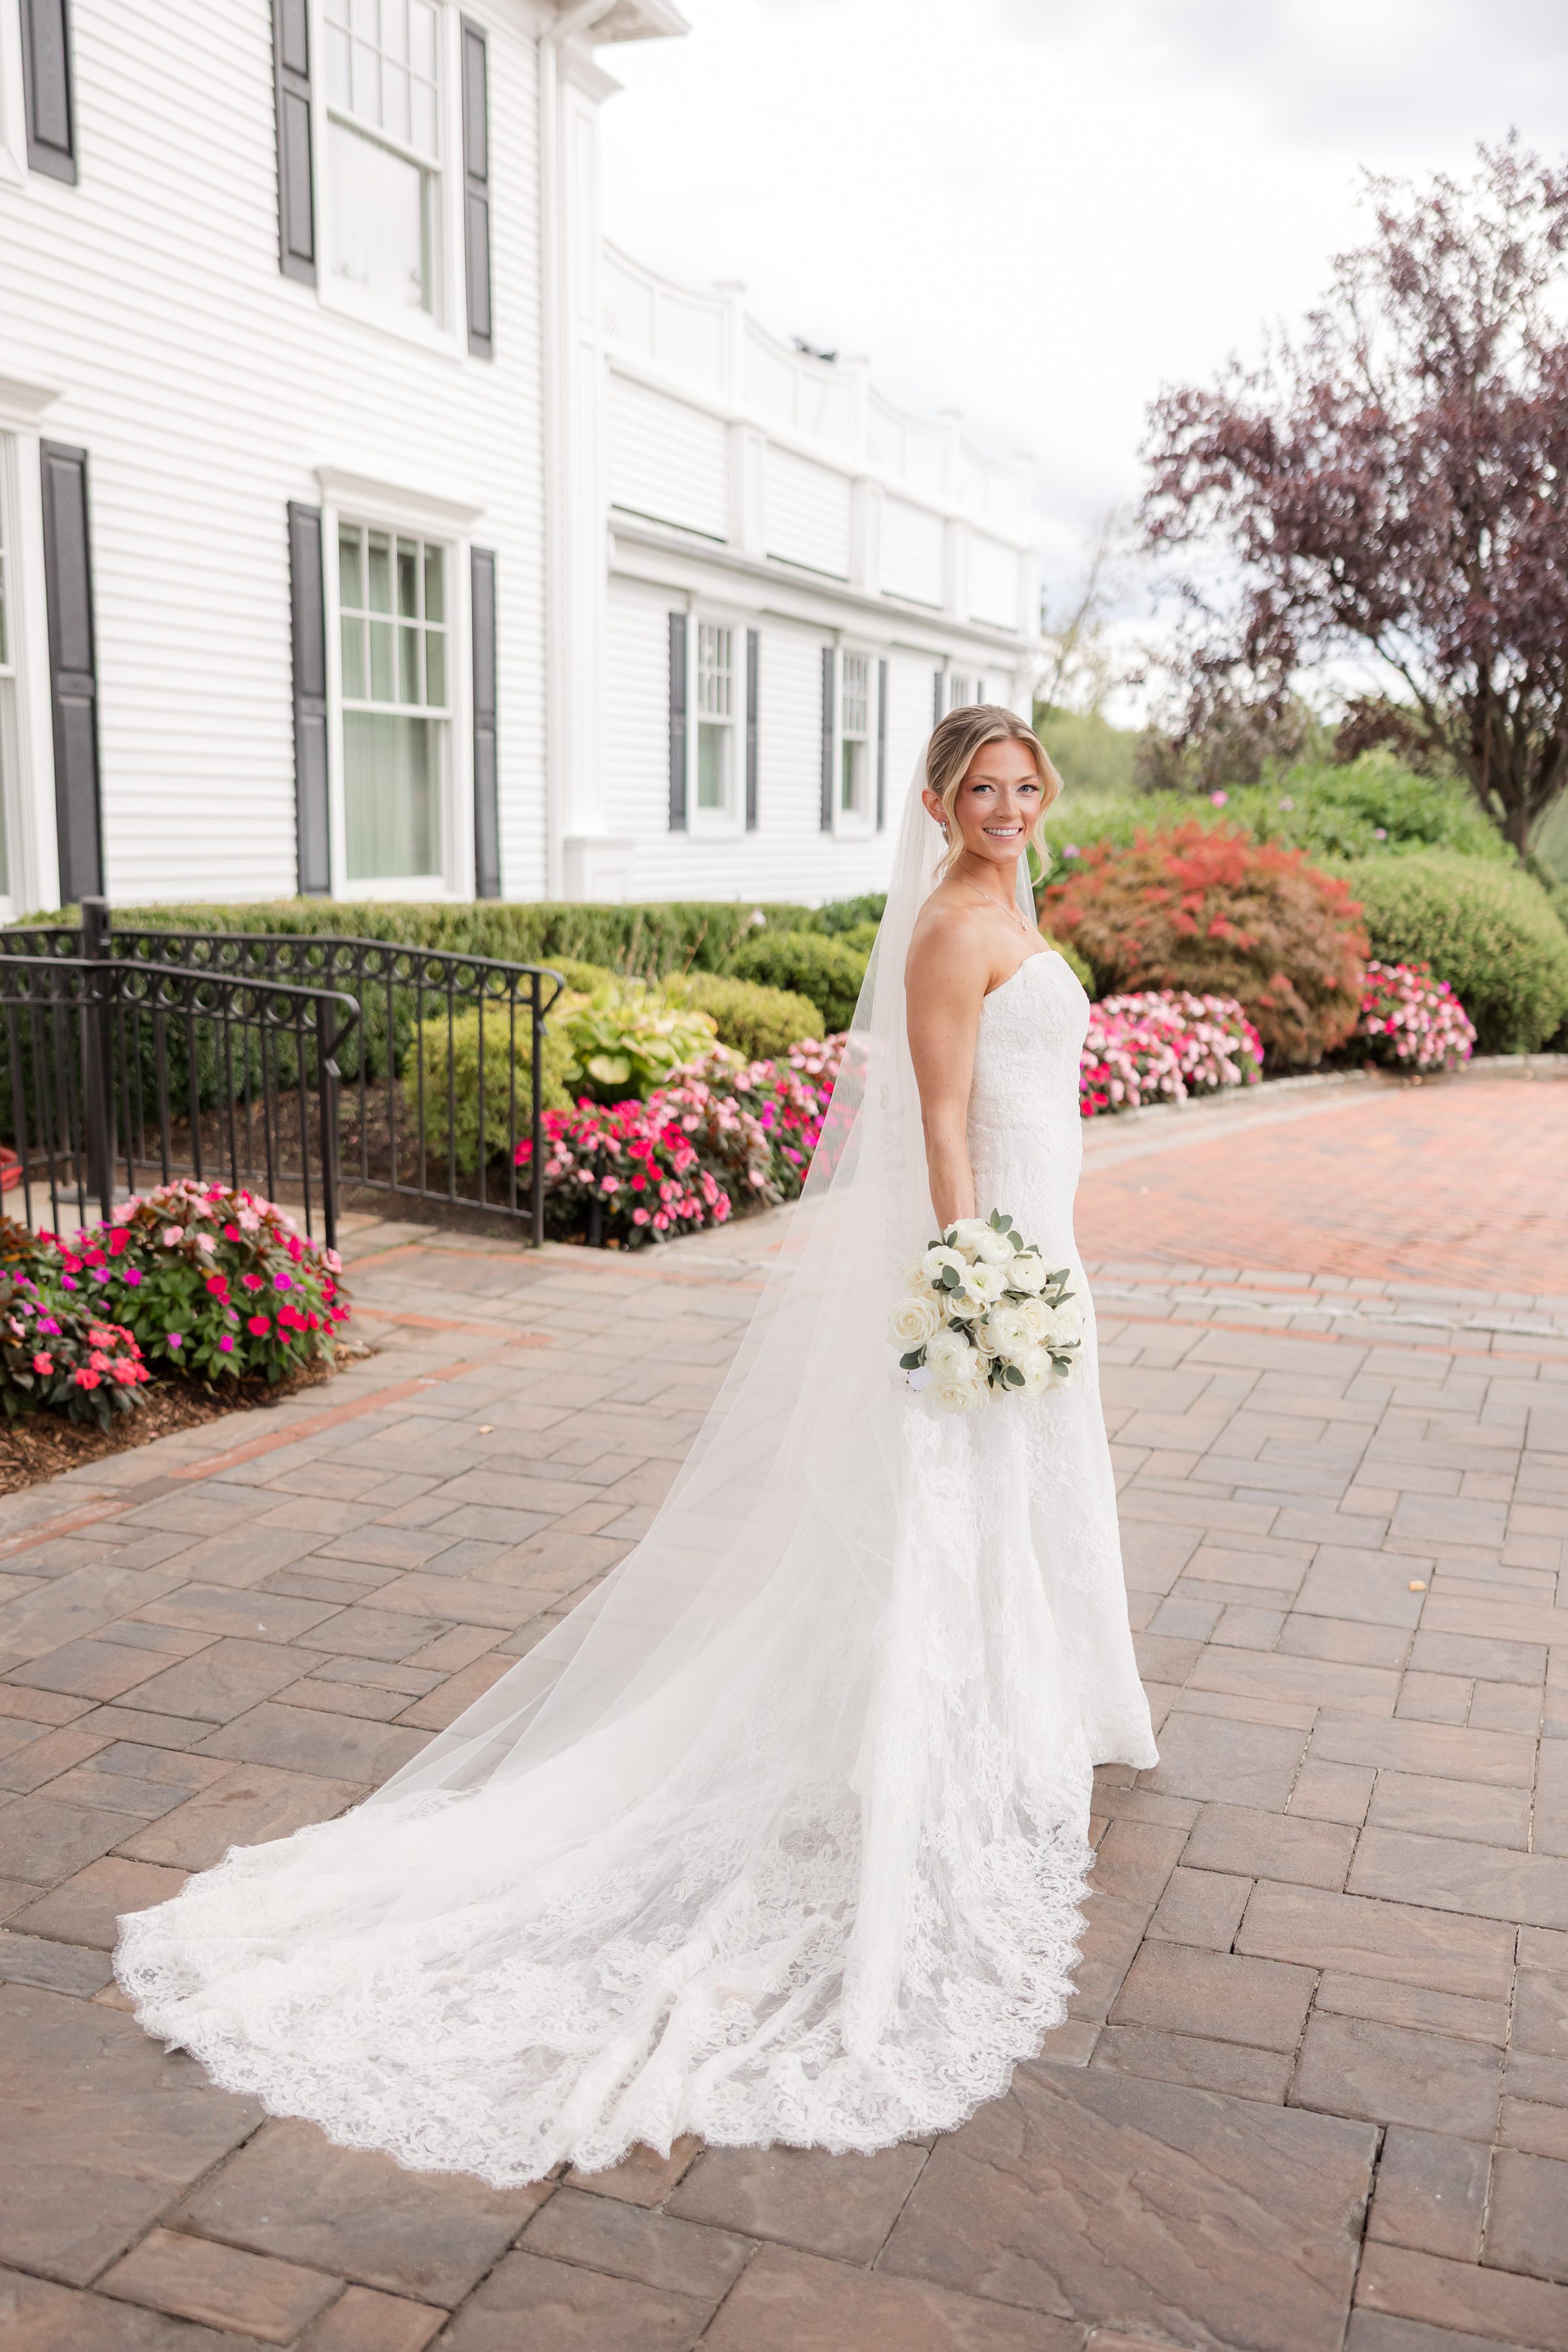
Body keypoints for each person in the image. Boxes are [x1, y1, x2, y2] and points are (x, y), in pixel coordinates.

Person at [116, 706, 1156, 2187]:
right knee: (954, 1499)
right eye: (979, 789)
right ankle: (942, 1734)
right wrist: (978, 1277)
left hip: (1043, 1245)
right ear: (935, 802)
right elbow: (937, 1118)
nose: (1005, 806)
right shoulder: (944, 931)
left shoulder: (1013, 905)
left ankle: (1038, 1698)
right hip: (994, 1263)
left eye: (1022, 786)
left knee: (1032, 1492)